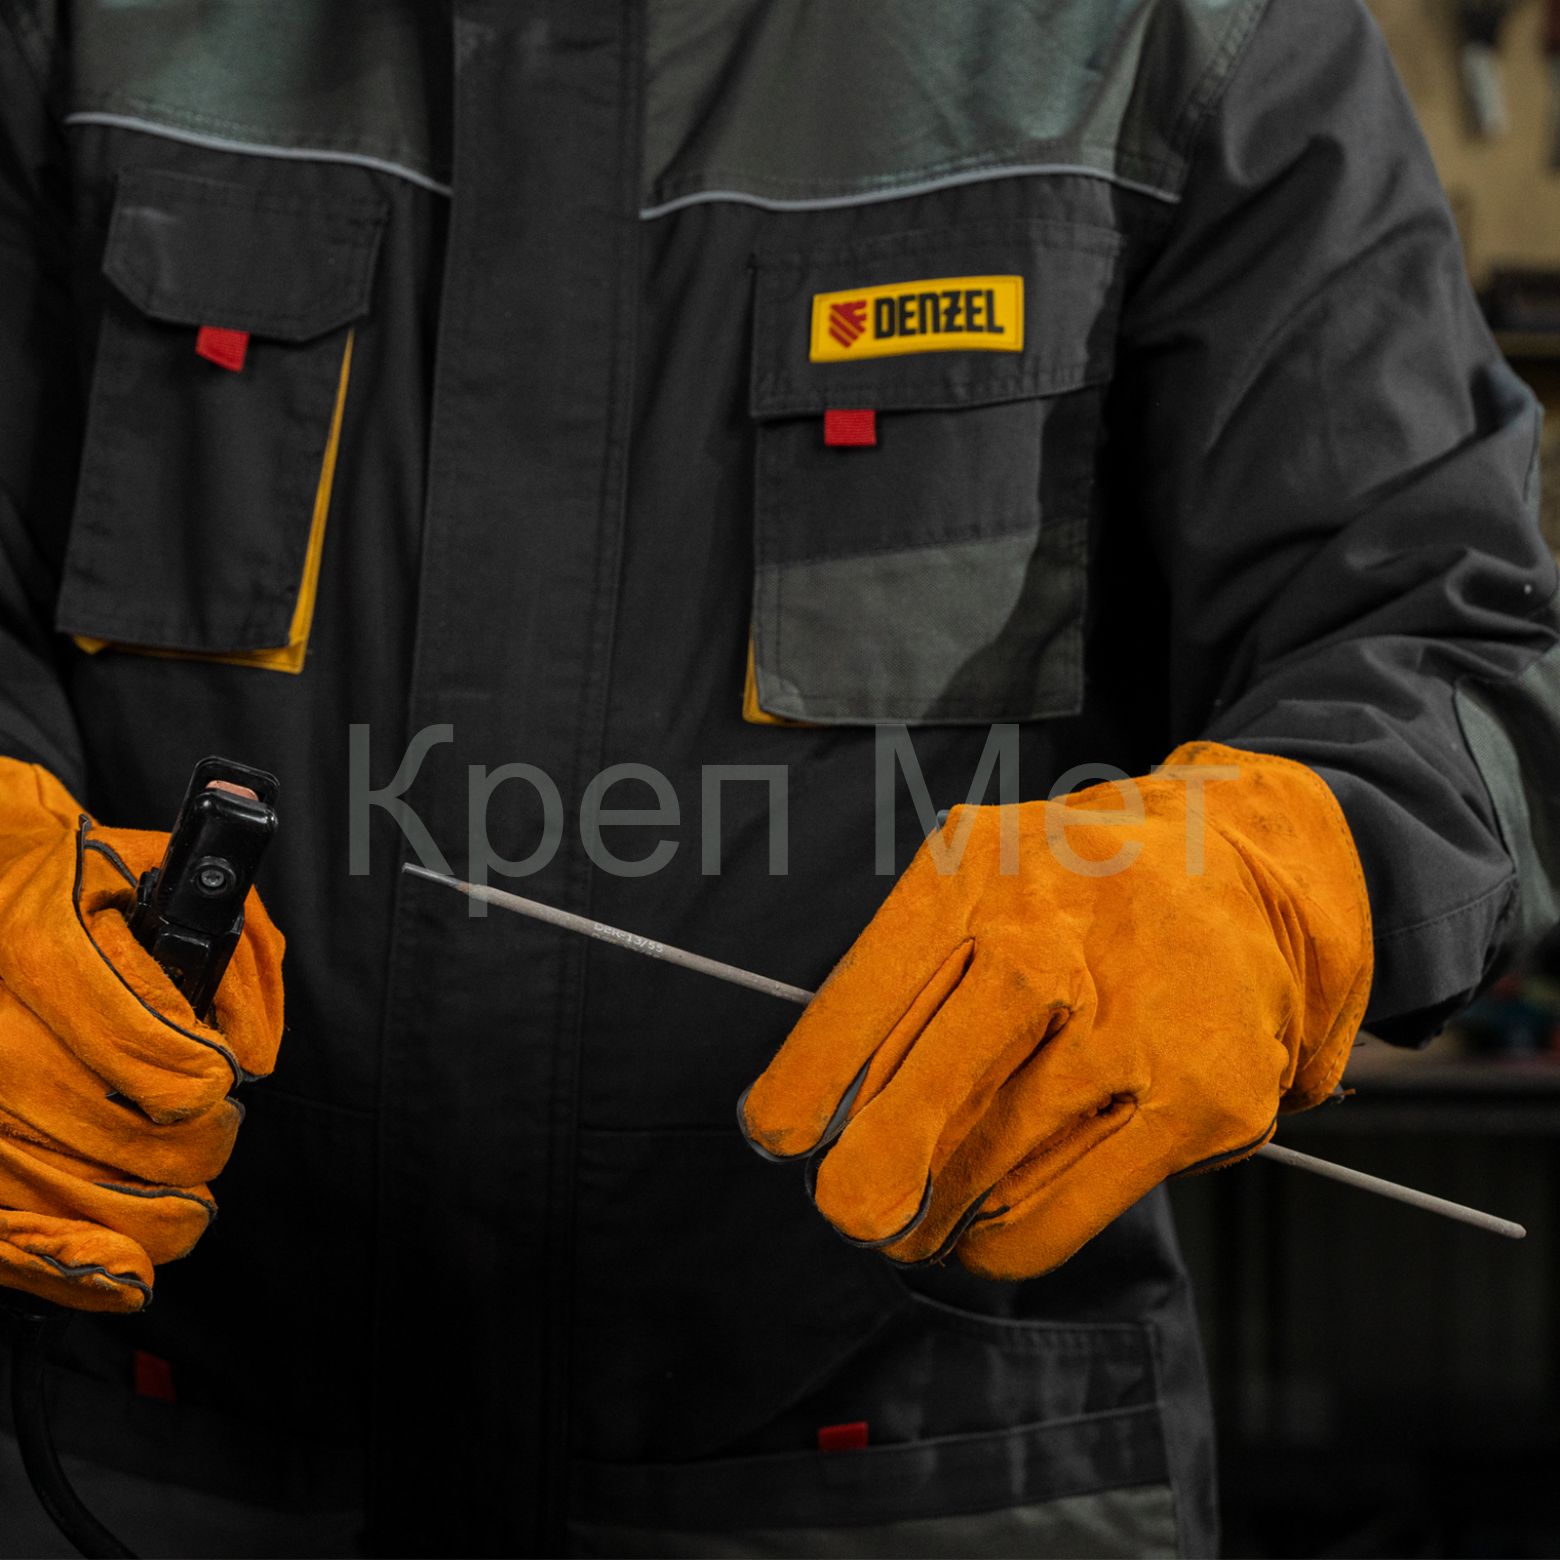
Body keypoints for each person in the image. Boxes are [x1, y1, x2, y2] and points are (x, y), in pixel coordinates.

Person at [1, 0, 1556, 1554]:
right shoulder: (78, 27)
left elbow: (1454, 641)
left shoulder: (1177, 33)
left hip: (923, 1482)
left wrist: (1272, 874)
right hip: (140, 1445)